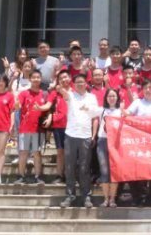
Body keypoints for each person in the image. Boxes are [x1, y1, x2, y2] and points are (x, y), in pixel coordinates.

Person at [57, 74, 100, 208]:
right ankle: (70, 195)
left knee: (84, 167)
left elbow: (95, 116)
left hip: (86, 136)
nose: (80, 84)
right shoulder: (70, 95)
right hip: (70, 135)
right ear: (74, 84)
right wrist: (60, 86)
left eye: (82, 82)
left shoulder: (92, 97)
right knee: (69, 167)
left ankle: (86, 196)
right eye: (77, 82)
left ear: (86, 83)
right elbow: (62, 91)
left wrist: (93, 135)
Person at [125, 80, 151, 207]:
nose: (148, 90)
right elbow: (127, 114)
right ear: (142, 90)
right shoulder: (137, 103)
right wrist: (122, 112)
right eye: (146, 88)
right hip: (139, 143)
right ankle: (139, 197)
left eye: (150, 87)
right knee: (137, 171)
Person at [14, 70, 46, 185]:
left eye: (38, 77)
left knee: (37, 153)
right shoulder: (24, 93)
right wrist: (16, 105)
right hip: (24, 128)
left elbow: (48, 109)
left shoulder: (44, 94)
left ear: (41, 79)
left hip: (39, 129)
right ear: (30, 79)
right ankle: (20, 176)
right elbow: (17, 106)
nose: (36, 79)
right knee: (23, 152)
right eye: (34, 77)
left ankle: (38, 176)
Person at [95, 88, 122, 207]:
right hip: (102, 141)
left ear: (117, 98)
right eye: (109, 96)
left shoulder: (121, 112)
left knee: (114, 171)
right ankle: (106, 199)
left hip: (116, 143)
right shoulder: (101, 110)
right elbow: (88, 111)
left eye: (114, 96)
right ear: (106, 98)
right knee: (104, 170)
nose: (111, 98)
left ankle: (112, 199)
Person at [43, 70, 70, 185]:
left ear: (70, 78)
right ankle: (60, 175)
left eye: (65, 77)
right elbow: (48, 105)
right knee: (60, 151)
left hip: (73, 126)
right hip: (59, 125)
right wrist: (40, 108)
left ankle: (70, 175)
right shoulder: (54, 93)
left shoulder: (75, 91)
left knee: (71, 153)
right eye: (61, 78)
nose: (64, 80)